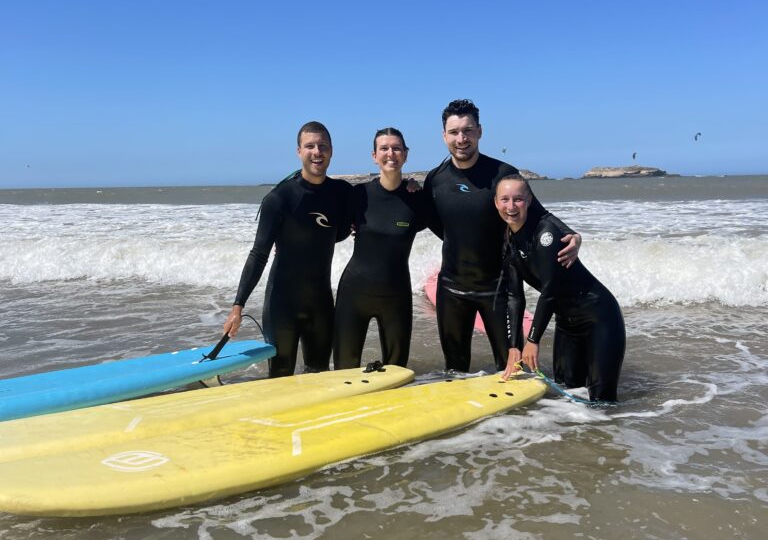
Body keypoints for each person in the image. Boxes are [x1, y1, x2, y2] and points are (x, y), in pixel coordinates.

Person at [423, 98, 581, 373]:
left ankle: (516, 419)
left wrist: (571, 235)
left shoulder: (503, 175)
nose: (461, 138)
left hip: (497, 289)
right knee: (454, 370)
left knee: (510, 368)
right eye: (454, 132)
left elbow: (539, 215)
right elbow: (435, 223)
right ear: (443, 135)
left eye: (468, 130)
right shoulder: (435, 180)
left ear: (480, 131)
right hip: (452, 290)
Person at [223, 122, 352, 378]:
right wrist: (238, 306)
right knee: (280, 378)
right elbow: (259, 253)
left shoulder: (342, 193)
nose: (317, 151)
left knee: (319, 375)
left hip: (320, 304)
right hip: (282, 305)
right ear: (298, 151)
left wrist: (411, 186)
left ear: (332, 151)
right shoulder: (279, 198)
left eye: (322, 146)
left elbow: (375, 202)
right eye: (310, 146)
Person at [495, 175, 625, 402]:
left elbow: (550, 290)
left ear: (529, 201)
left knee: (602, 400)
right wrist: (514, 347)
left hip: (599, 317)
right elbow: (515, 297)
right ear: (496, 203)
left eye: (518, 199)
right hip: (567, 323)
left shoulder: (546, 234)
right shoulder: (509, 239)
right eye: (504, 200)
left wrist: (533, 341)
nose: (511, 206)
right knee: (568, 394)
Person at [333, 128, 429, 369]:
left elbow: (453, 226)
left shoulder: (417, 198)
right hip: (354, 294)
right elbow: (326, 226)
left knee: (396, 372)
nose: (390, 154)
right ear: (374, 155)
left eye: (396, 148)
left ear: (406, 154)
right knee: (344, 370)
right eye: (384, 148)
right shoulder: (358, 195)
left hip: (396, 297)